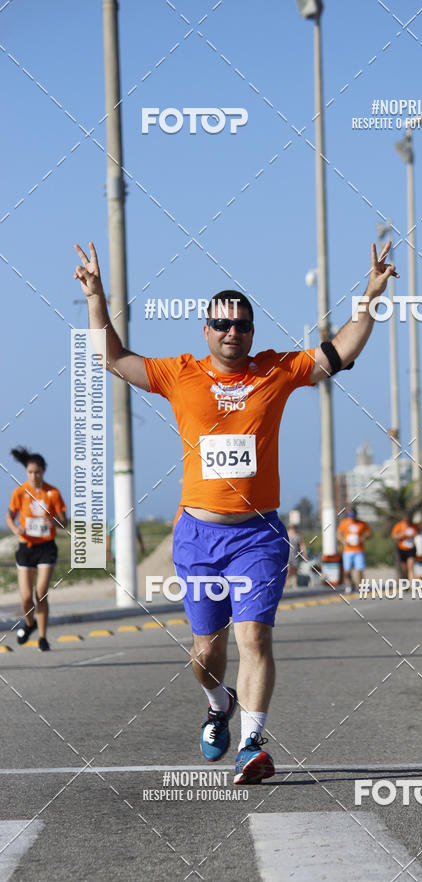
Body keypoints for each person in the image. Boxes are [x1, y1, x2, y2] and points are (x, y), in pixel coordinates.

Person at [74, 239, 398, 784]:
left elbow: (342, 350)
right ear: (206, 330)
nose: (232, 333)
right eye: (223, 325)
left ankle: (253, 743)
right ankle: (216, 701)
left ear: (253, 332)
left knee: (255, 638)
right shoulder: (178, 374)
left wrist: (368, 296)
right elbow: (111, 357)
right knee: (206, 652)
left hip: (258, 537)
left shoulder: (276, 371)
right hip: (198, 536)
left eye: (242, 326)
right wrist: (95, 297)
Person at [5, 447, 67, 651]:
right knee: (25, 597)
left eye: (37, 472)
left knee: (40, 593)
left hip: (46, 548)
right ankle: (30, 624)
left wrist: (54, 521)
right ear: (26, 472)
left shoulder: (53, 493)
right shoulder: (20, 492)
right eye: (30, 472)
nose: (34, 476)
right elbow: (9, 516)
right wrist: (16, 528)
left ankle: (42, 637)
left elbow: (64, 521)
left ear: (44, 471)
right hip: (26, 547)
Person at [337, 508, 372, 594]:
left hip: (358, 550)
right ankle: (351, 584)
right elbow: (338, 534)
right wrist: (343, 540)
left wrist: (364, 537)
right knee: (347, 571)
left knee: (359, 569)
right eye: (350, 516)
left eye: (353, 516)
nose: (352, 518)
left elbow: (369, 533)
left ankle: (360, 586)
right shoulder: (344, 523)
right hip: (347, 550)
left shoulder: (362, 523)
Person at [391, 515, 419, 580]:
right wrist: (402, 535)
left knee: (410, 567)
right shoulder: (399, 525)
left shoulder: (414, 526)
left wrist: (412, 535)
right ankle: (406, 580)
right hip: (402, 548)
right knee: (404, 569)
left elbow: (417, 533)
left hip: (411, 548)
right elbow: (394, 535)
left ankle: (412, 584)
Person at [285, 523, 306, 588]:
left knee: (295, 569)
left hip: (296, 554)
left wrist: (304, 553)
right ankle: (286, 583)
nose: (293, 529)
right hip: (288, 554)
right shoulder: (287, 534)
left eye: (294, 527)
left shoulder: (298, 535)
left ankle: (294, 583)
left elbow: (302, 545)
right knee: (288, 569)